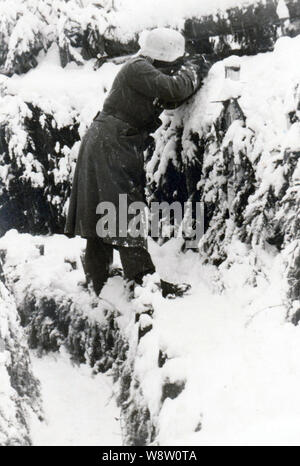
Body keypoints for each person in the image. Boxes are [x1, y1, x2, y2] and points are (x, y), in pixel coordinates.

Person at [65, 27, 210, 298]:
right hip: (112, 140)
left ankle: (99, 280)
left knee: (104, 206)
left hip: (110, 138)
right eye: (174, 63)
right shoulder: (138, 68)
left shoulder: (142, 69)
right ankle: (144, 282)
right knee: (123, 208)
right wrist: (192, 69)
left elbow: (169, 97)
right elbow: (174, 88)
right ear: (163, 59)